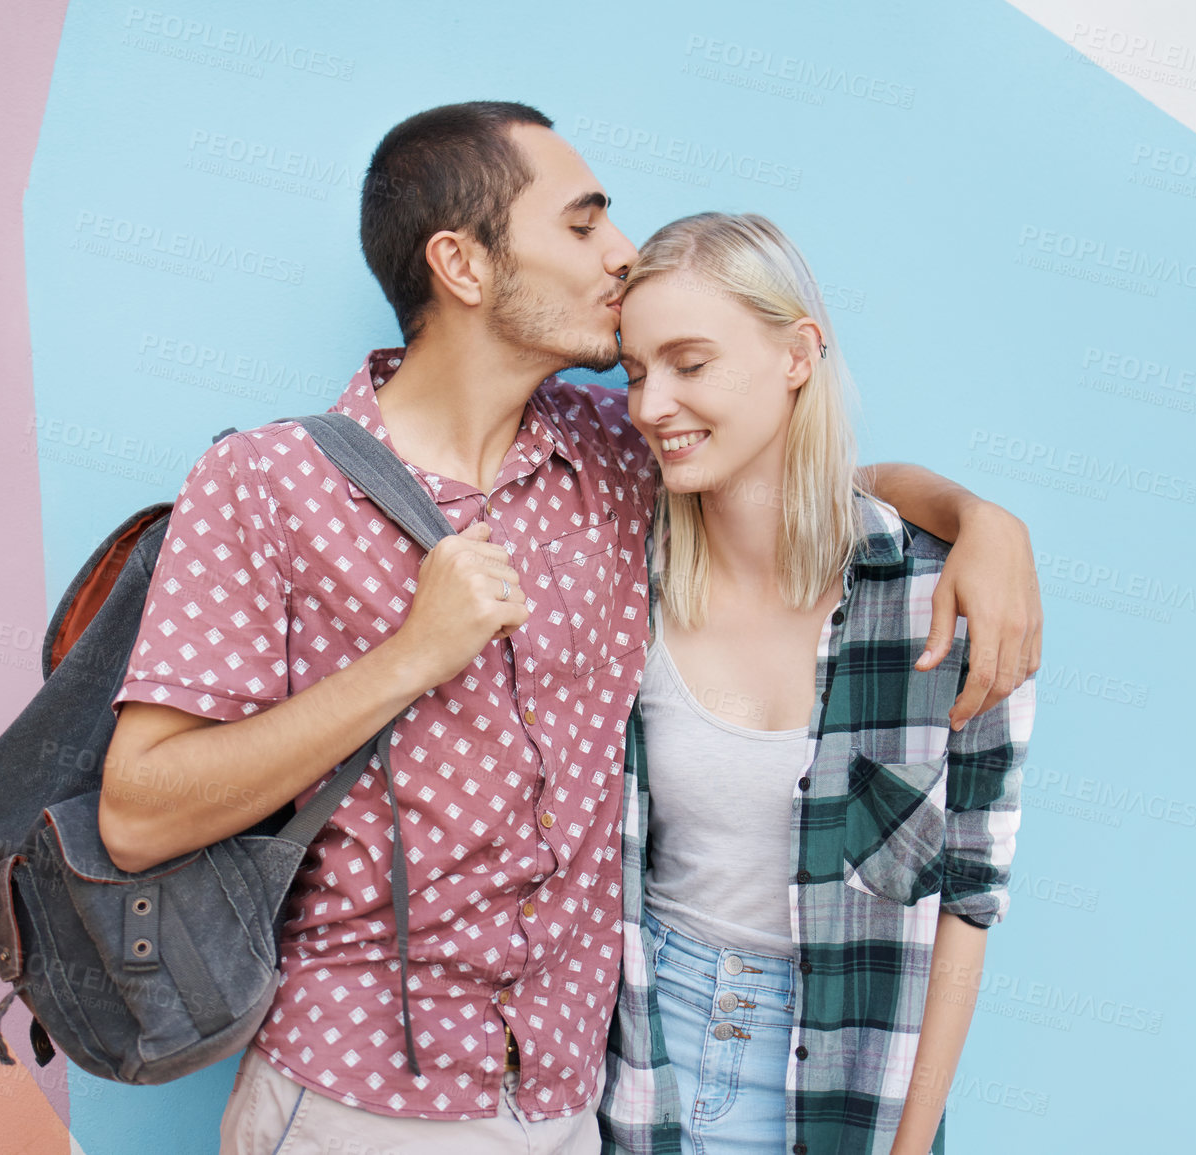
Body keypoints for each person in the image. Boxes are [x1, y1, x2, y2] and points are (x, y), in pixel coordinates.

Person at [96, 101, 1041, 1155]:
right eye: (584, 224)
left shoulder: (617, 455)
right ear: (462, 263)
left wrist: (979, 522)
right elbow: (137, 815)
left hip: (578, 1107)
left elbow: (795, 477)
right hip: (357, 1101)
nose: (621, 254)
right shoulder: (268, 483)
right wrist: (412, 656)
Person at [597, 212, 1035, 1155]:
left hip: (844, 1076)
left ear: (797, 354)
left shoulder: (947, 595)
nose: (647, 404)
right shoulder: (619, 576)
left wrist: (910, 1146)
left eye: (689, 362)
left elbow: (969, 895)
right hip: (637, 1059)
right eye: (634, 371)